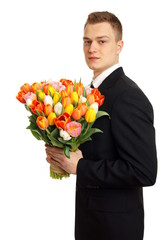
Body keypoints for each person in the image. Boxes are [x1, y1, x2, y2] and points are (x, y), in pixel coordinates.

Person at [45, 11, 157, 240]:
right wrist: (63, 153)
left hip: (115, 229)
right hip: (91, 222)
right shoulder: (92, 92)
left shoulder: (128, 96)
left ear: (119, 46)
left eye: (102, 41)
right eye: (87, 41)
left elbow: (144, 172)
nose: (92, 48)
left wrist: (81, 166)